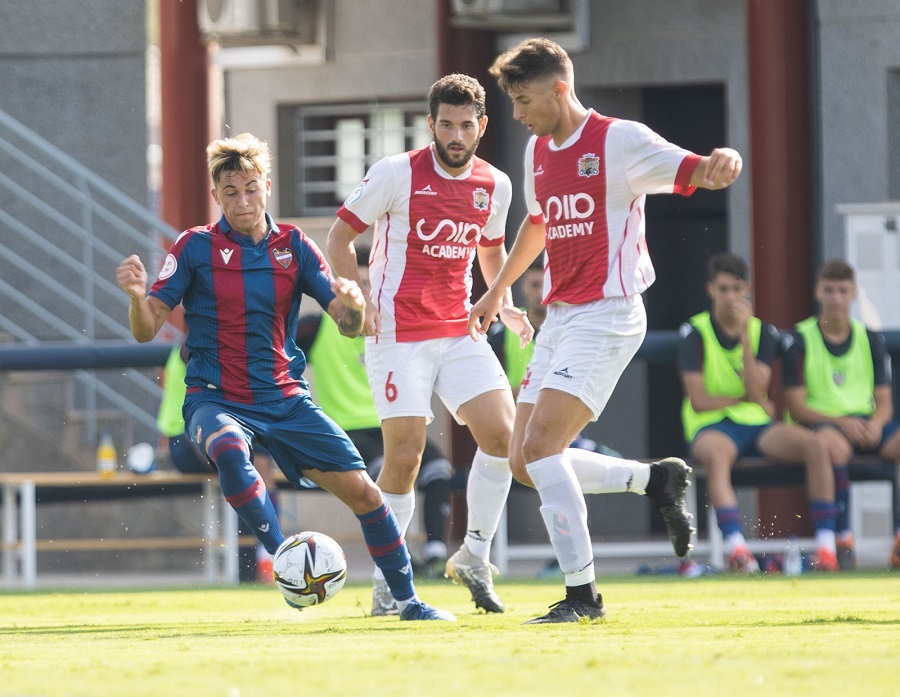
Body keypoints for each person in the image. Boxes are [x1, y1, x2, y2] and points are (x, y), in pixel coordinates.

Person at [116, 132, 454, 621]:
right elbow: (147, 329)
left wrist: (355, 307)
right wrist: (135, 296)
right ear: (217, 196)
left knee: (366, 493)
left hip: (285, 399)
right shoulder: (194, 247)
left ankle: (409, 602)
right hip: (215, 399)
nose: (243, 200)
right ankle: (285, 556)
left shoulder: (294, 245)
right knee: (231, 449)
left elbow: (345, 320)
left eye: (251, 188)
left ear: (267, 186)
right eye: (231, 192)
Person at [467, 37, 739, 623]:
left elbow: (697, 170)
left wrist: (724, 162)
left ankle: (582, 597)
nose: (515, 114)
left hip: (611, 312)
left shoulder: (621, 140)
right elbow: (537, 227)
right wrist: (497, 289)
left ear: (558, 89)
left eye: (521, 99)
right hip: (560, 317)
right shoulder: (538, 150)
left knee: (542, 449)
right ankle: (655, 481)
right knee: (523, 460)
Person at [327, 73, 529, 615]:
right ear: (431, 123)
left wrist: (502, 300)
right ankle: (387, 590)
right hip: (397, 336)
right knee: (405, 459)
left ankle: (475, 556)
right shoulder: (396, 173)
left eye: (466, 125)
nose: (456, 135)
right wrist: (355, 296)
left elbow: (491, 249)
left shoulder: (497, 184)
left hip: (458, 331)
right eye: (446, 124)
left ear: (482, 126)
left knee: (504, 437)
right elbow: (340, 236)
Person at [296, 243, 454, 609]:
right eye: (359, 282)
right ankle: (396, 565)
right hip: (350, 430)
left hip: (394, 421)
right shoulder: (318, 326)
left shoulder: (399, 321)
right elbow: (276, 342)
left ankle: (433, 554)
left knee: (437, 468)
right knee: (387, 472)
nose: (366, 292)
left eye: (372, 282)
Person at [679, 253, 839, 573]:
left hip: (756, 424)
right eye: (723, 289)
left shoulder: (761, 331)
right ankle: (737, 548)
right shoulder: (695, 332)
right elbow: (698, 400)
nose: (730, 297)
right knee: (716, 456)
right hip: (711, 426)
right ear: (711, 289)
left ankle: (827, 547)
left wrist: (746, 337)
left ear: (747, 289)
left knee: (818, 445)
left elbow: (757, 390)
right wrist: (743, 399)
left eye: (736, 289)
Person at [783, 258, 900, 569]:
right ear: (817, 292)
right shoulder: (800, 339)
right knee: (829, 446)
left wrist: (875, 424)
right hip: (826, 424)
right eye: (830, 290)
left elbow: (885, 401)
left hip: (865, 424)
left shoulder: (870, 338)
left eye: (843, 291)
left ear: (854, 294)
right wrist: (840, 422)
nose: (836, 298)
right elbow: (796, 407)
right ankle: (838, 541)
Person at [157, 340, 281, 583]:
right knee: (244, 461)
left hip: (212, 431)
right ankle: (265, 555)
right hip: (183, 438)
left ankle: (267, 555)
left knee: (258, 458)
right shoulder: (195, 346)